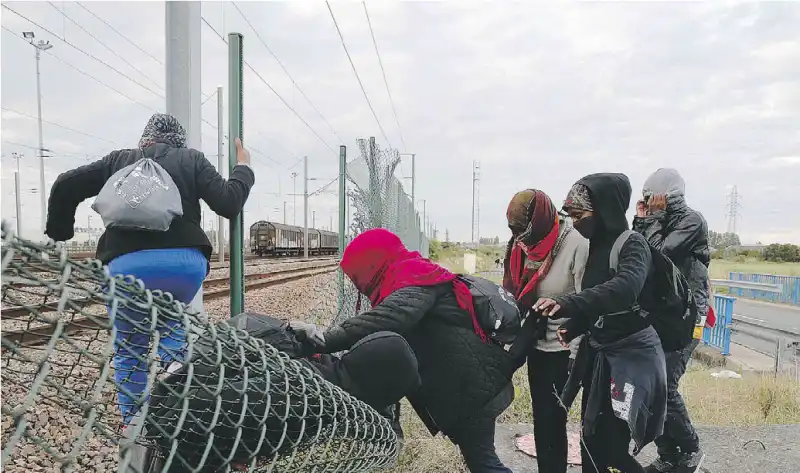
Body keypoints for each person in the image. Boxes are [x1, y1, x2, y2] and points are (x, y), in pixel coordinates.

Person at [45, 113, 255, 425]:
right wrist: (244, 168)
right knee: (173, 332)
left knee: (130, 346)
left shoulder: (119, 161)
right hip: (183, 266)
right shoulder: (191, 159)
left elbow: (65, 185)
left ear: (145, 139)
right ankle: (182, 416)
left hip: (126, 267)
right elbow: (228, 203)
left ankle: (136, 430)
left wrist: (61, 231)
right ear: (179, 141)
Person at [294, 228, 515, 473]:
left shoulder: (415, 279)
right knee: (480, 460)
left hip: (472, 390)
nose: (357, 283)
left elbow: (385, 319)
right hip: (465, 387)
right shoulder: (410, 275)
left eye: (357, 274)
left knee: (484, 463)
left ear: (372, 265)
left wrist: (324, 339)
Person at [534, 173, 668, 473]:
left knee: (611, 451)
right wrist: (576, 325)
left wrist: (569, 303)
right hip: (601, 357)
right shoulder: (594, 246)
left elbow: (623, 289)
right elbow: (597, 300)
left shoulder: (633, 244)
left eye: (580, 215)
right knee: (591, 443)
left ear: (604, 209)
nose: (576, 223)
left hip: (631, 361)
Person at [503, 189, 588, 473]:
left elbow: (585, 303)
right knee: (541, 418)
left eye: (524, 232)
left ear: (539, 222)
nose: (521, 240)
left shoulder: (576, 244)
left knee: (553, 419)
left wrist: (575, 358)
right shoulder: (519, 244)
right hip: (533, 342)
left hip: (562, 348)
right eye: (515, 233)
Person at [634, 168, 709, 473]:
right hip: (664, 312)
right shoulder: (658, 219)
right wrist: (641, 221)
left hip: (689, 314)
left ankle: (691, 450)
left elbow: (659, 256)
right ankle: (668, 454)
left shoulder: (692, 220)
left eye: (652, 198)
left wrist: (652, 219)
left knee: (667, 383)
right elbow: (637, 254)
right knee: (651, 384)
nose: (649, 202)